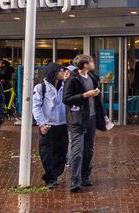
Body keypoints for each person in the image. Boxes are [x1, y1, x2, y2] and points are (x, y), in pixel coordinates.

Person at [63, 54, 106, 193]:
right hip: (77, 118)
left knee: (89, 149)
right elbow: (66, 99)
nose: (93, 63)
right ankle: (75, 181)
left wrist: (96, 94)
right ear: (85, 64)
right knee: (77, 150)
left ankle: (85, 177)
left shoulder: (92, 77)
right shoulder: (73, 79)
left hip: (91, 117)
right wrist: (85, 95)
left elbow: (96, 99)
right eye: (91, 61)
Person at [31, 62, 70, 189]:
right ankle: (50, 177)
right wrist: (41, 123)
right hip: (48, 125)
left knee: (61, 151)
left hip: (62, 124)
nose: (63, 73)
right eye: (60, 71)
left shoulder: (65, 86)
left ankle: (55, 174)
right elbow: (36, 106)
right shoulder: (40, 87)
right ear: (53, 72)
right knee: (46, 152)